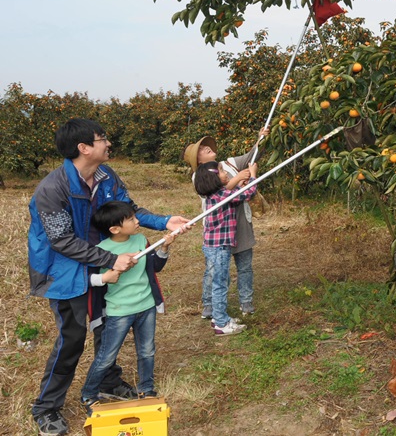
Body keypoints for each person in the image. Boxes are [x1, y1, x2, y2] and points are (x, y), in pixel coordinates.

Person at [28, 118, 189, 436]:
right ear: (84, 148)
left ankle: (108, 381)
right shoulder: (52, 189)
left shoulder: (105, 176)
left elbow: (128, 209)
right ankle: (46, 408)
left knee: (106, 321)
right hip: (64, 270)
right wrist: (111, 259)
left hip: (100, 261)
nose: (108, 143)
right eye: (102, 138)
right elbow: (62, 242)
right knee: (72, 338)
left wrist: (165, 221)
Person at [80, 201, 177, 414]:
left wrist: (164, 247)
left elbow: (156, 267)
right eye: (131, 219)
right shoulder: (102, 251)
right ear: (114, 229)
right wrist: (108, 276)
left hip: (146, 306)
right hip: (120, 311)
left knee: (147, 350)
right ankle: (88, 394)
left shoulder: (141, 240)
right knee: (107, 356)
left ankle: (146, 390)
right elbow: (89, 278)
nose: (137, 221)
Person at [182, 129, 268, 318]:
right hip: (219, 229)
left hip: (239, 222)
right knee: (214, 270)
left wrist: (261, 138)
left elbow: (252, 155)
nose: (207, 148)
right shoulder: (200, 177)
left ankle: (246, 301)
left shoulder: (228, 163)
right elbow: (217, 195)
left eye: (206, 146)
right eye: (202, 149)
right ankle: (209, 304)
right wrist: (239, 180)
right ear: (198, 160)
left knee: (245, 265)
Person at [193, 160, 259, 335]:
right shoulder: (221, 196)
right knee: (220, 284)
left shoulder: (218, 194)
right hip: (219, 248)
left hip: (215, 246)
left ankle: (218, 316)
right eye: (222, 171)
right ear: (213, 178)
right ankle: (221, 323)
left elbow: (236, 195)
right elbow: (248, 194)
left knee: (221, 281)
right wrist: (253, 176)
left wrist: (239, 184)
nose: (225, 173)